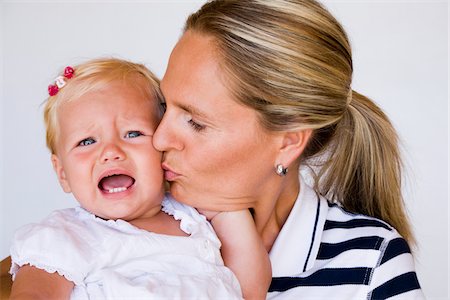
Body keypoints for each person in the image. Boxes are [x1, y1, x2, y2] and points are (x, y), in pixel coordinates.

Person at [152, 0, 425, 299]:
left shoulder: (370, 266)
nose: (159, 139)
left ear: (289, 142)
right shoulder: (120, 223)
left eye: (195, 122)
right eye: (164, 106)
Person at [9, 58, 271, 299]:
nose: (110, 152)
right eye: (86, 141)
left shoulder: (195, 215)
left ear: (164, 148)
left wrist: (227, 209)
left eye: (133, 134)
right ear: (63, 173)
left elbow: (250, 289)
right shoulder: (65, 236)